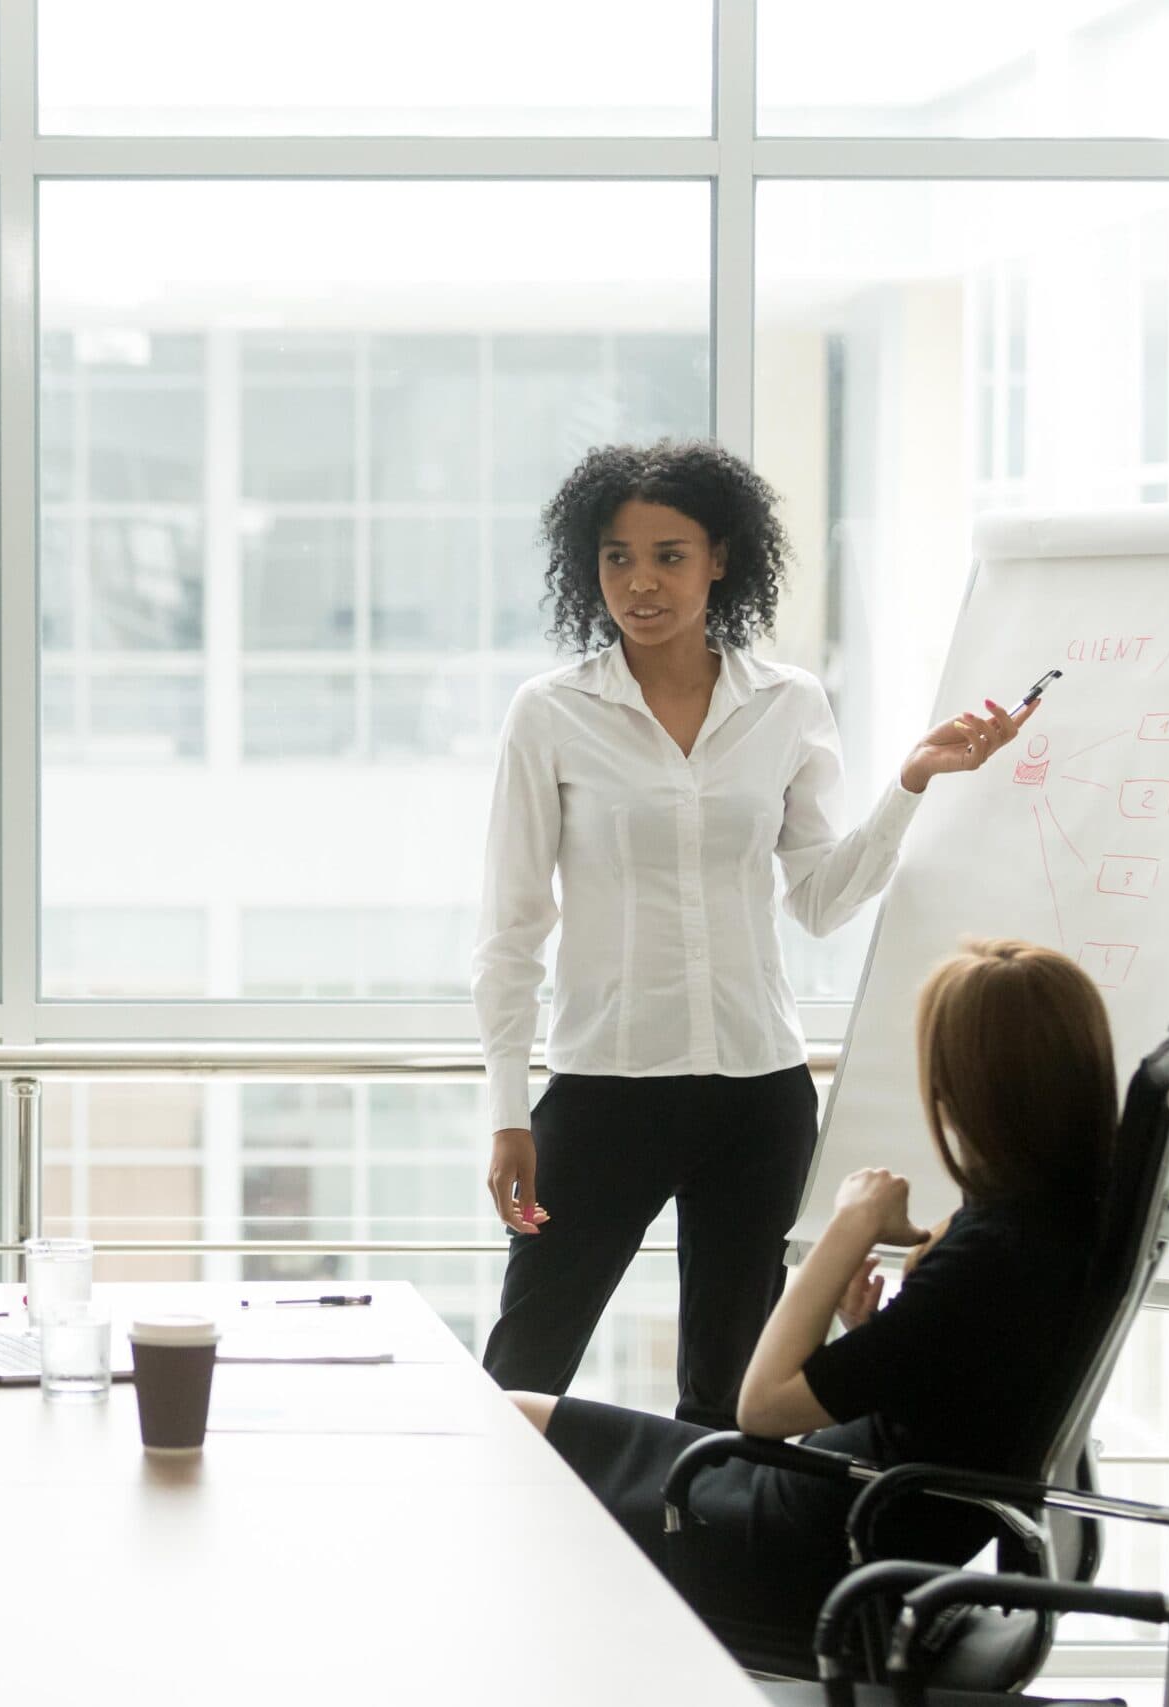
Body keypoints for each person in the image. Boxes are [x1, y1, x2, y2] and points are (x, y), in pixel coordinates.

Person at [472, 439, 1032, 1425]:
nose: (639, 582)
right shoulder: (550, 715)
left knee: (731, 1396)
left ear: (721, 558)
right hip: (602, 1091)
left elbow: (818, 897)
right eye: (615, 557)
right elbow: (511, 931)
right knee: (523, 1365)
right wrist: (508, 1112)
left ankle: (707, 1576)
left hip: (757, 1099)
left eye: (668, 554)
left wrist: (910, 783)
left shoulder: (786, 704)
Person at [504, 939, 1117, 1635]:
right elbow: (957, 1388)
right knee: (509, 1419)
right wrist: (868, 1336)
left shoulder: (988, 1255)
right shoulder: (1052, 1223)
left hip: (797, 1548)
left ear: (965, 1090)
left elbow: (761, 1406)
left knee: (503, 1444)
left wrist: (846, 1226)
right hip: (826, 1504)